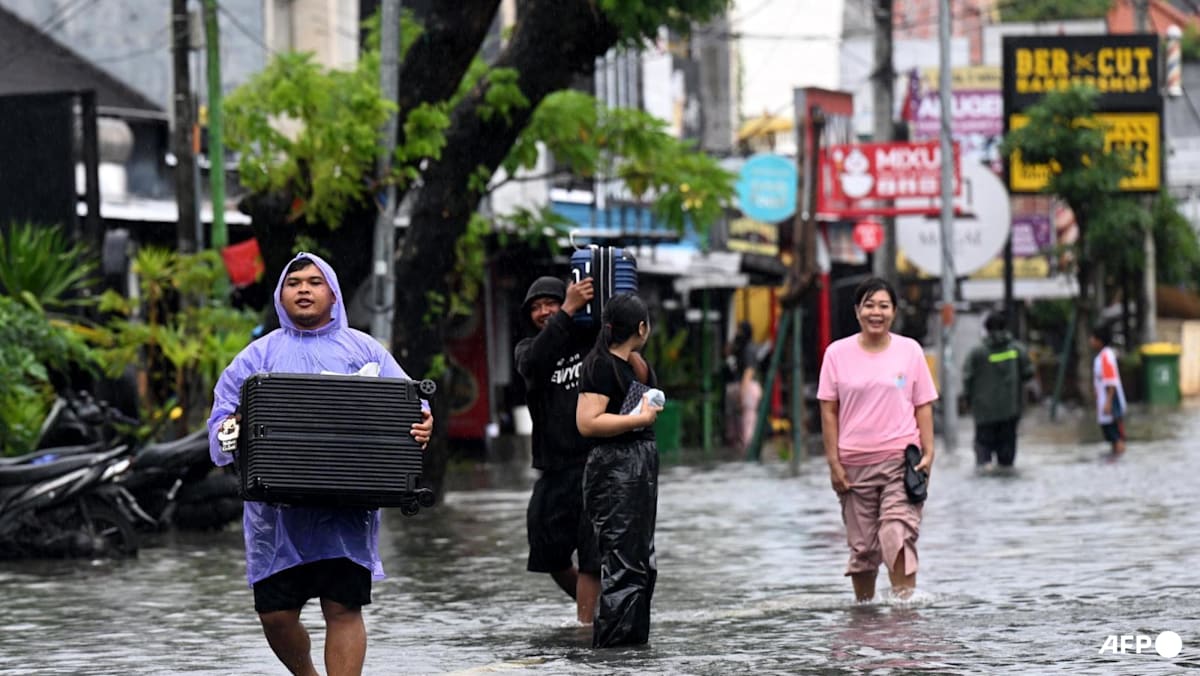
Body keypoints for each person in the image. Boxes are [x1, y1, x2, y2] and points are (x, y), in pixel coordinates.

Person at [207, 253, 433, 676]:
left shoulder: (365, 349)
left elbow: (411, 406)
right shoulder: (257, 355)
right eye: (294, 282)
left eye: (315, 281)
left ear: (333, 293)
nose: (304, 289)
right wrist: (230, 431)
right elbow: (220, 420)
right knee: (276, 617)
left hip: (344, 514)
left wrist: (423, 424)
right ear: (280, 294)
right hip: (275, 521)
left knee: (343, 607)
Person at [817, 277, 937, 602]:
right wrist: (833, 463)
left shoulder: (910, 350)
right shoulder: (836, 354)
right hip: (853, 465)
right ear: (857, 311)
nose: (876, 312)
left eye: (883, 306)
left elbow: (923, 403)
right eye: (869, 305)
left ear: (894, 312)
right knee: (864, 549)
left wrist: (930, 450)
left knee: (895, 531)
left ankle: (904, 613)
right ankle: (865, 619)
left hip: (901, 461)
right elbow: (828, 410)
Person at [513, 275, 601, 624]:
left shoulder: (591, 340)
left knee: (593, 552)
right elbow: (534, 364)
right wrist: (567, 308)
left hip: (595, 463)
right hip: (554, 468)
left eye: (550, 302)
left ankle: (587, 626)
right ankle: (602, 610)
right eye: (536, 307)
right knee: (547, 551)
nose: (544, 311)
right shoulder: (527, 350)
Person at [576, 293, 662, 647]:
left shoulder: (632, 365)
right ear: (641, 328)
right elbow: (587, 422)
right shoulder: (600, 365)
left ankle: (633, 652)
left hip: (636, 468)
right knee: (624, 568)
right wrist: (637, 419)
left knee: (641, 566)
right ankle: (613, 656)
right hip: (615, 471)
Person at [963, 311, 1035, 468]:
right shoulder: (1017, 350)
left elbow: (967, 379)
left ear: (986, 329)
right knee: (1007, 459)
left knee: (984, 456)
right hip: (1010, 411)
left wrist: (968, 400)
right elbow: (1029, 373)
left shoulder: (977, 353)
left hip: (983, 414)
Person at [725, 321, 763, 454]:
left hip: (747, 387)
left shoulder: (749, 349)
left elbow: (749, 371)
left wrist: (743, 391)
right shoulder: (740, 348)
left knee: (747, 421)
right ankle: (741, 446)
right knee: (738, 421)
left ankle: (747, 447)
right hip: (740, 387)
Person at [1090, 324, 1127, 457]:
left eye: (1093, 338)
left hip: (1110, 402)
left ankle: (1118, 461)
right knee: (1111, 436)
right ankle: (1114, 458)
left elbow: (1111, 382)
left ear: (1099, 340)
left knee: (1115, 436)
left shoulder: (1106, 356)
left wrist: (1108, 403)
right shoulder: (1101, 357)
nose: (1091, 341)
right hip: (1105, 402)